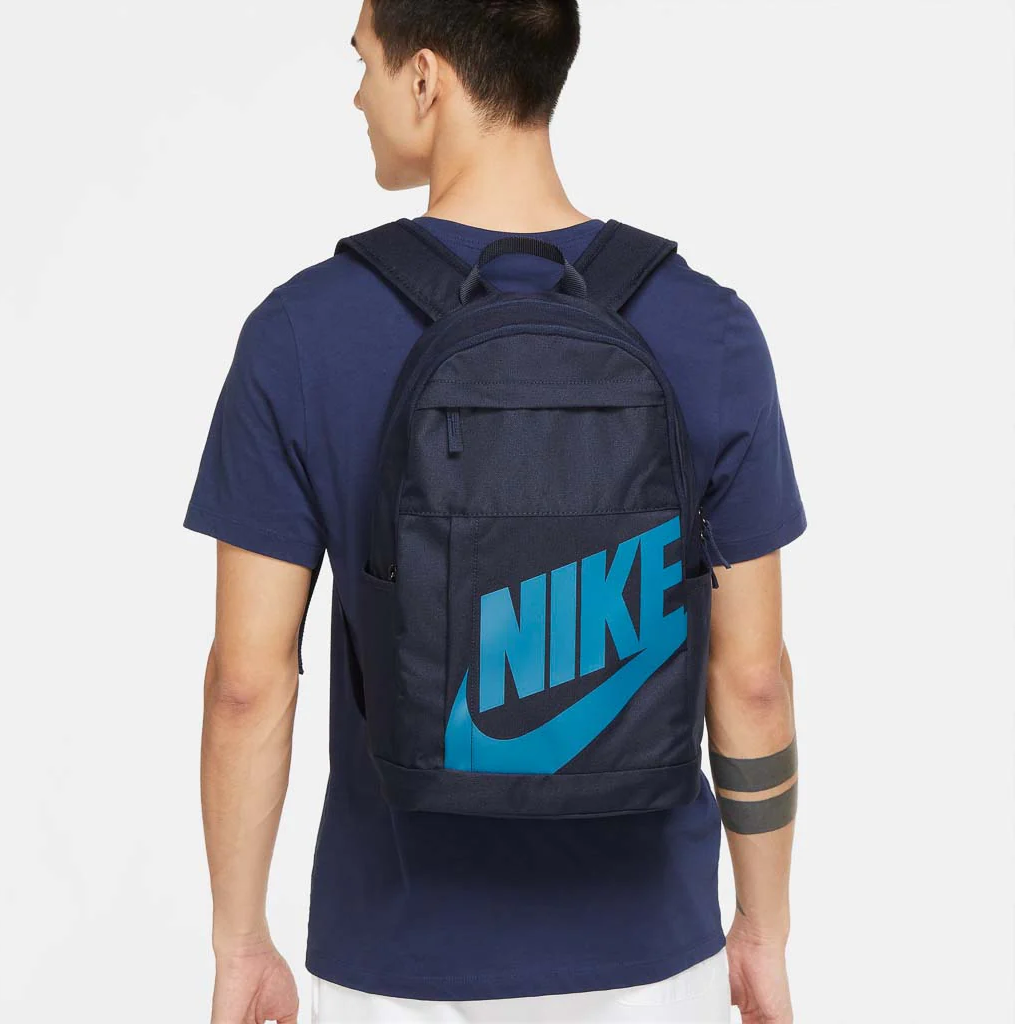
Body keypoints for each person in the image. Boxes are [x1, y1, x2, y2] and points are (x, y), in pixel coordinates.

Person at [184, 1, 806, 1021]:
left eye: (365, 62)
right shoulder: (709, 328)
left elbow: (247, 687)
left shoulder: (299, 333)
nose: (357, 95)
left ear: (426, 79)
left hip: (392, 965)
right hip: (652, 957)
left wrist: (240, 942)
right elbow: (753, 681)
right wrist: (763, 932)